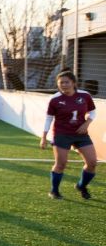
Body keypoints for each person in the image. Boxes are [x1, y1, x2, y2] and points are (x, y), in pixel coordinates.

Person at [40, 71, 97, 200]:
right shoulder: (54, 99)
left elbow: (92, 112)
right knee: (61, 164)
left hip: (81, 134)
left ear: (73, 83)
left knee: (92, 163)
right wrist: (44, 137)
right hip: (62, 134)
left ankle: (81, 186)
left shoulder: (85, 95)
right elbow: (49, 118)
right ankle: (54, 191)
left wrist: (86, 124)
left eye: (66, 82)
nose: (64, 85)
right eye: (61, 83)